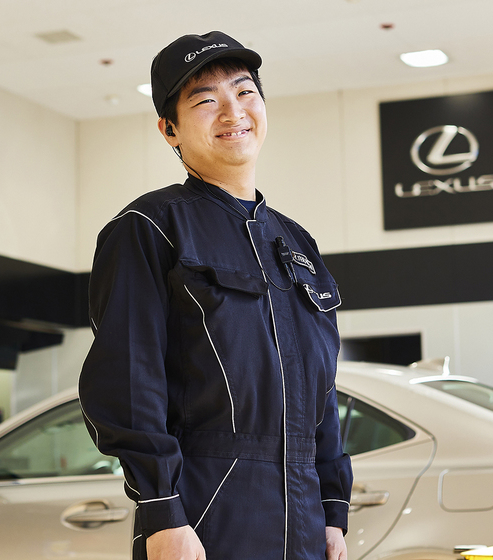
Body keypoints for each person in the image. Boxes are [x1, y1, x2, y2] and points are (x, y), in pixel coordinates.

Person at [78, 31, 352, 560]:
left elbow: (322, 392)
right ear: (170, 129)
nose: (233, 111)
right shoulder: (150, 228)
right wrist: (162, 511)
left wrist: (332, 508)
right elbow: (127, 379)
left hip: (306, 520)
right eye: (205, 100)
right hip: (205, 513)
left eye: (245, 92)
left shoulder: (296, 242)